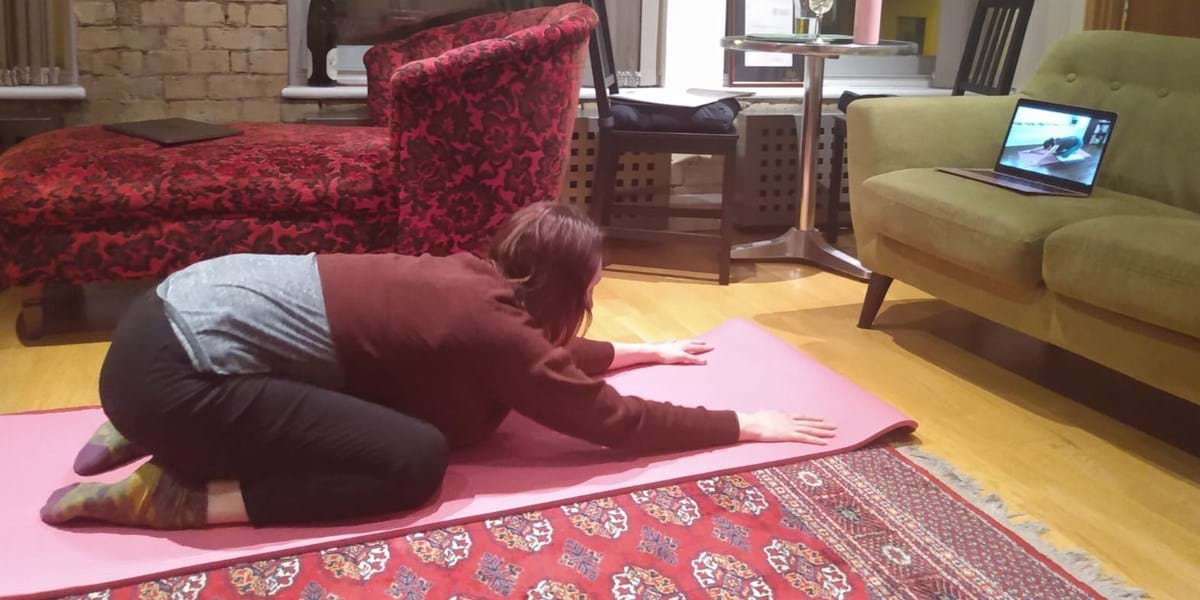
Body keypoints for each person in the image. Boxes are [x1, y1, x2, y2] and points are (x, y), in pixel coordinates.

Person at [41, 203, 835, 530]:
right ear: (563, 289)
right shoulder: (494, 333)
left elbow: (528, 355)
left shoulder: (464, 280)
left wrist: (646, 350)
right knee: (412, 458)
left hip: (158, 326)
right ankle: (178, 493)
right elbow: (606, 419)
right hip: (176, 385)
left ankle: (128, 429)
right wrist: (743, 425)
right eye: (591, 291)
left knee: (337, 381)